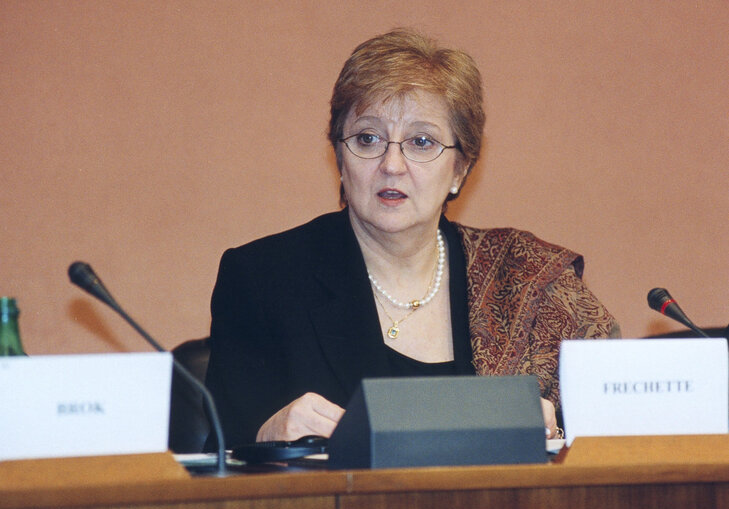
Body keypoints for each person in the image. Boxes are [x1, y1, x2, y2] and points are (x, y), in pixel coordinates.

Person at [204, 28, 620, 448]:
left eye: (422, 142)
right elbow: (215, 459)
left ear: (459, 170)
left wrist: (557, 431)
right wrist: (264, 436)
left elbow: (616, 430)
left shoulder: (526, 277)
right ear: (339, 157)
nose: (392, 164)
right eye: (368, 138)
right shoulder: (262, 280)